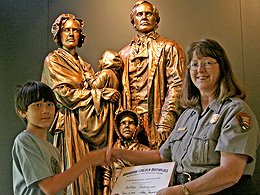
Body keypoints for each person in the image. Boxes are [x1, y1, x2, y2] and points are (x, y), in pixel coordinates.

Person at [107, 39, 260, 194]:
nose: (200, 69)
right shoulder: (188, 114)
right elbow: (161, 157)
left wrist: (183, 191)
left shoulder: (235, 111)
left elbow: (230, 173)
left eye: (207, 62)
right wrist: (120, 153)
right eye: (194, 64)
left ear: (222, 68)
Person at [41, 14, 119, 195]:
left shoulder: (84, 65)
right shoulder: (53, 60)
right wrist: (101, 94)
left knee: (88, 177)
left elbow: (94, 83)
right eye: (66, 30)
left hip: (87, 124)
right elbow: (64, 94)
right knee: (73, 175)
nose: (71, 34)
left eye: (75, 30)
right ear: (59, 34)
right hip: (69, 124)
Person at [12, 81, 107, 195]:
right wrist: (88, 160)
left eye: (50, 104)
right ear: (23, 112)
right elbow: (50, 188)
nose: (45, 110)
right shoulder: (24, 140)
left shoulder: (53, 149)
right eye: (37, 105)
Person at [119, 0, 186, 149]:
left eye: (148, 14)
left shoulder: (169, 47)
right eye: (139, 14)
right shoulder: (123, 55)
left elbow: (177, 85)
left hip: (158, 121)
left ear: (156, 20)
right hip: (131, 125)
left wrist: (167, 120)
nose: (144, 17)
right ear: (133, 21)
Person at [103, 110, 150, 194]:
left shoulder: (145, 151)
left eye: (131, 123)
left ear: (137, 127)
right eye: (123, 123)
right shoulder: (111, 151)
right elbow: (107, 175)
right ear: (118, 127)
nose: (127, 126)